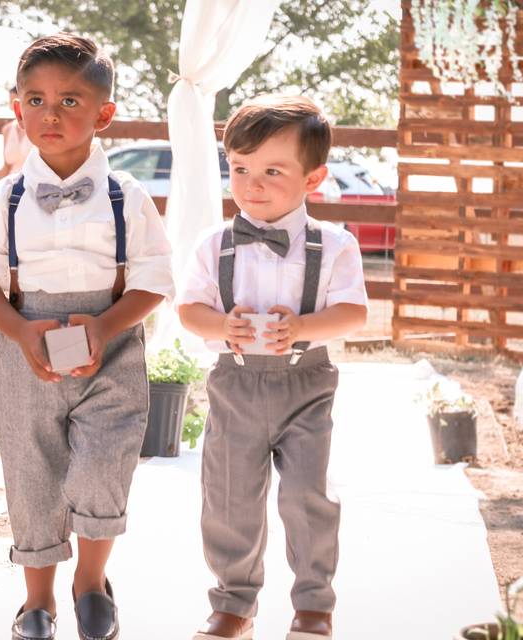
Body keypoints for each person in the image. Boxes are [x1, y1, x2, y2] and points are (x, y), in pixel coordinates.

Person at [0, 33, 173, 640]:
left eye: (71, 102)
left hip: (113, 345)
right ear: (16, 106)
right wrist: (22, 330)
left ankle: (91, 583)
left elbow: (156, 277)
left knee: (105, 464)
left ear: (104, 114)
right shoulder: (5, 198)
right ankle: (37, 599)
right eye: (36, 99)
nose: (51, 115)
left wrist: (104, 325)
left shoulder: (125, 196)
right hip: (25, 347)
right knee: (32, 472)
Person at [177, 95, 369, 640]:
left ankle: (313, 604)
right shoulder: (214, 244)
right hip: (236, 383)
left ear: (313, 179)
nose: (251, 184)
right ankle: (234, 604)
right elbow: (190, 308)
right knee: (229, 496)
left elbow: (354, 312)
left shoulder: (334, 245)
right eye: (239, 169)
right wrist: (222, 327)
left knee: (307, 495)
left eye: (272, 171)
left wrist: (303, 327)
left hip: (306, 384)